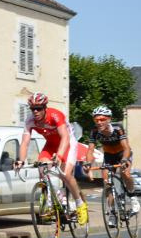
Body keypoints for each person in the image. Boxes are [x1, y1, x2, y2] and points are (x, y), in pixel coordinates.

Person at [14, 92, 88, 225]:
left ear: (45, 108)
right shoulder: (30, 121)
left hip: (67, 143)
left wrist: (59, 155)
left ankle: (80, 204)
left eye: (39, 108)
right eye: (32, 109)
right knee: (42, 168)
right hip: (51, 145)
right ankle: (52, 202)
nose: (35, 111)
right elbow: (25, 142)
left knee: (65, 174)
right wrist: (21, 160)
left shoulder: (55, 115)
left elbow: (65, 137)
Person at [85, 105, 139, 225]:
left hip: (123, 154)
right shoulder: (94, 131)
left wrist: (124, 160)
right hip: (109, 156)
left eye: (102, 119)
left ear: (109, 119)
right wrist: (88, 163)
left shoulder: (117, 128)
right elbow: (90, 150)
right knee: (107, 183)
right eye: (96, 120)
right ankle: (113, 213)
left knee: (126, 173)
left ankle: (133, 196)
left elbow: (126, 148)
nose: (99, 122)